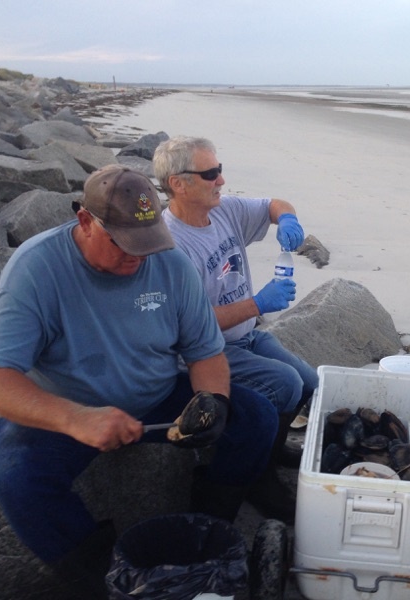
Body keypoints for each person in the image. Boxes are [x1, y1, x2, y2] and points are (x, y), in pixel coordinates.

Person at [0, 165, 278, 599]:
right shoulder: (36, 268)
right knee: (16, 477)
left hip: (156, 394)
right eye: (123, 244)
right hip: (66, 407)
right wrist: (76, 418)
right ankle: (105, 579)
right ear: (84, 221)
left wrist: (213, 401)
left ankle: (205, 529)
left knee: (256, 417)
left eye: (147, 243)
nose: (137, 256)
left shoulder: (168, 263)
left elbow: (205, 352)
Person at [153, 136, 318, 522]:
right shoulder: (172, 246)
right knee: (285, 384)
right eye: (210, 174)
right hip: (204, 350)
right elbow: (191, 325)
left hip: (245, 334)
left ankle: (271, 455)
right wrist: (258, 304)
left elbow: (274, 205)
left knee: (310, 381)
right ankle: (259, 478)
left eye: (220, 170)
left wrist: (288, 219)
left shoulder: (222, 210)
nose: (221, 181)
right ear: (178, 183)